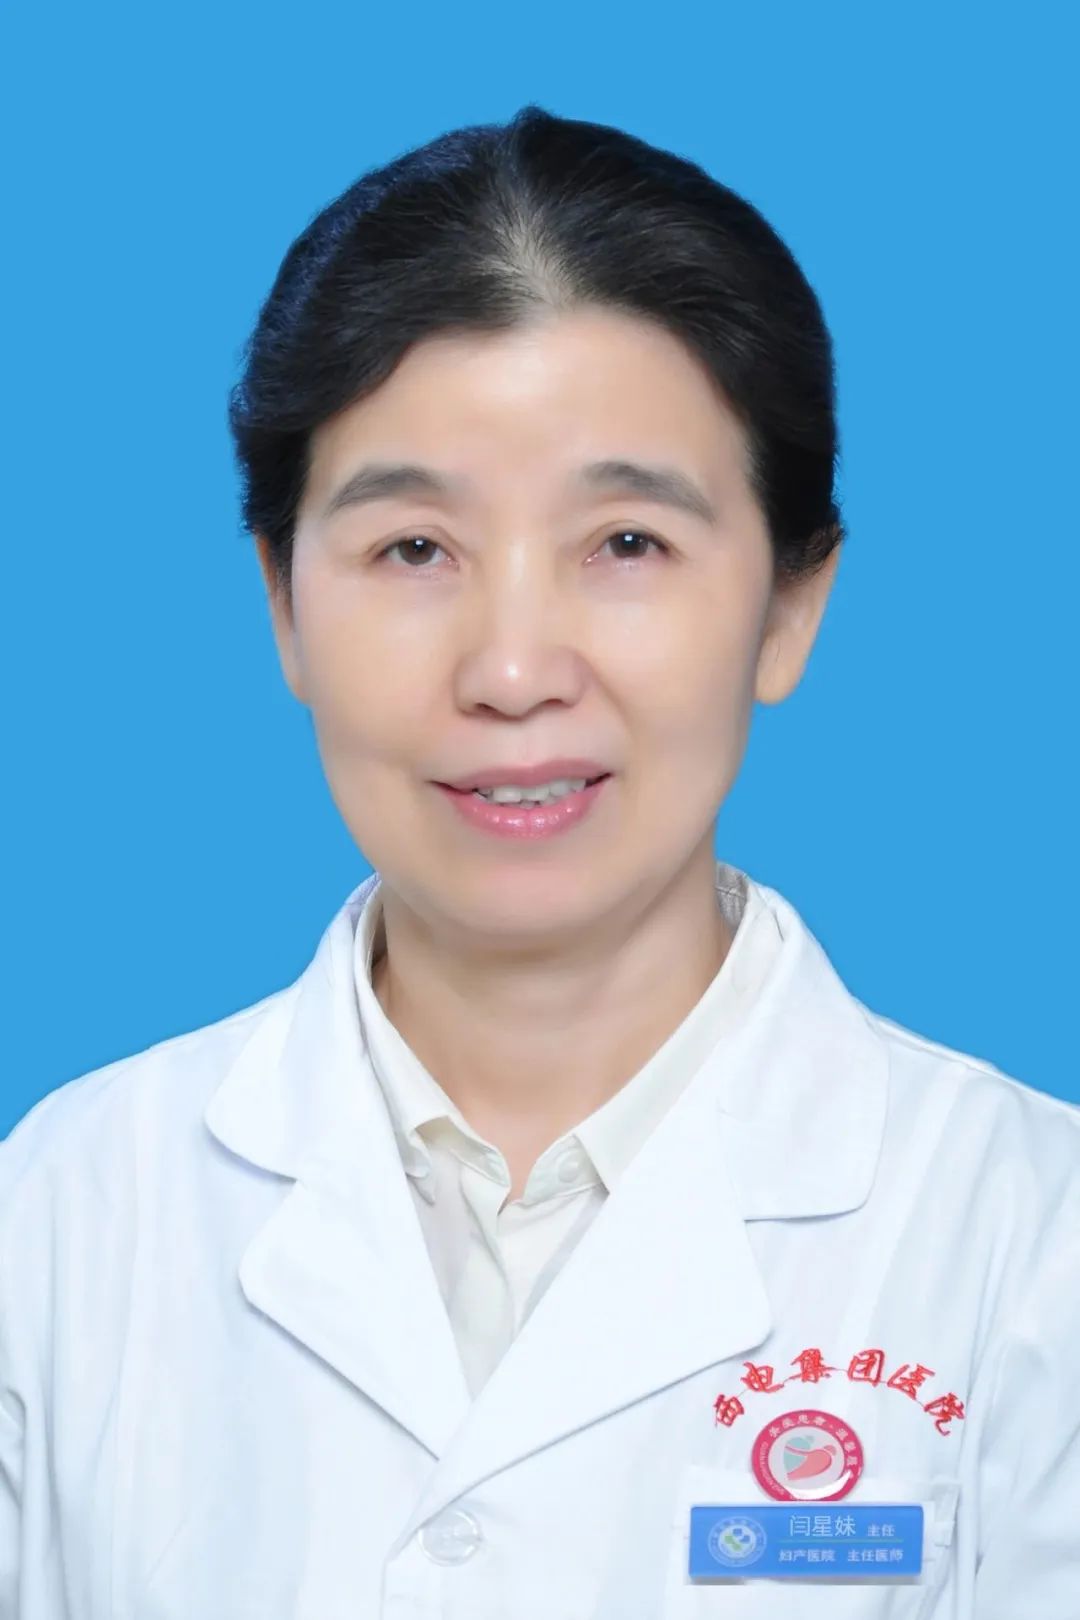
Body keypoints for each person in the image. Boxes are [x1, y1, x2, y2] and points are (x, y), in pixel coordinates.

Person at [1, 104, 1076, 1618]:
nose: (512, 671)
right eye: (414, 549)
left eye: (626, 544)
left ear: (790, 606)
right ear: (283, 605)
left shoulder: (1030, 1240)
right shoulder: (61, 1216)